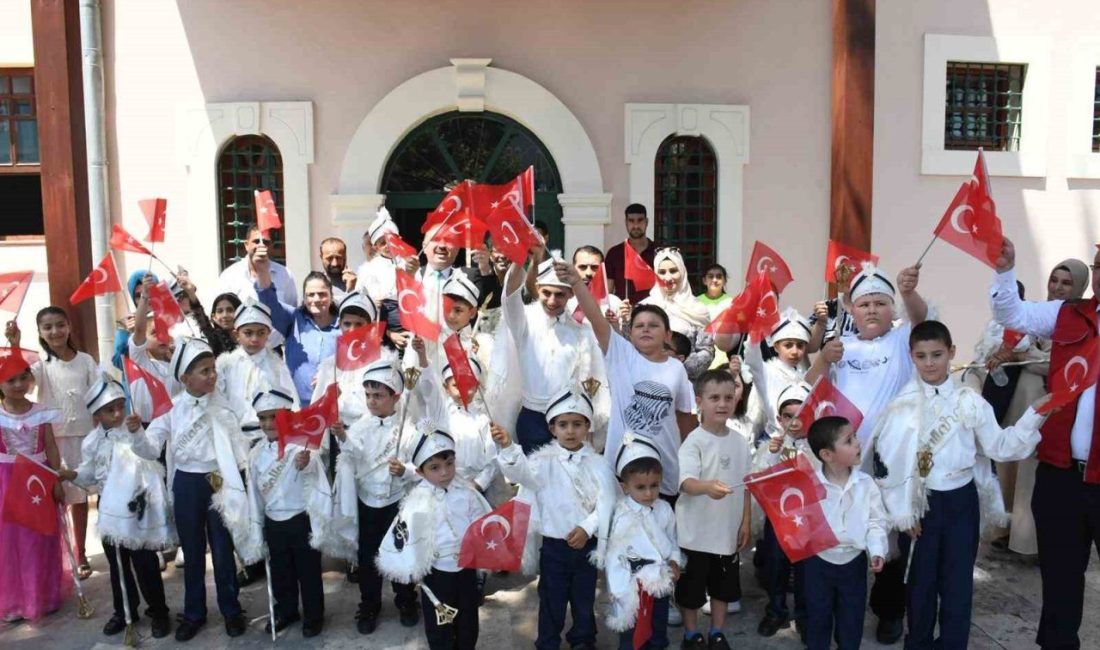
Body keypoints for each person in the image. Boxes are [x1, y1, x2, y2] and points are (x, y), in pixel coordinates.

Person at [869, 320, 1049, 649]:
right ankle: (919, 642)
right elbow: (887, 466)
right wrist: (903, 514)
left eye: (937, 354)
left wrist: (1035, 414)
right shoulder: (900, 407)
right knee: (920, 585)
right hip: (919, 506)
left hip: (960, 503)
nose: (930, 363)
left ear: (951, 352)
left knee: (957, 585)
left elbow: (1000, 447)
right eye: (921, 356)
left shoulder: (970, 401)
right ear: (912, 357)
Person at [804, 262, 928, 644]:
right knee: (845, 532)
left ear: (892, 309)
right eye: (864, 304)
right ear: (851, 310)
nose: (872, 309)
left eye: (880, 303)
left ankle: (889, 610)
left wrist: (909, 293)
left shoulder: (903, 340)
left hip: (892, 459)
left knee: (890, 533)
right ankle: (830, 612)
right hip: (846, 461)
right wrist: (824, 360)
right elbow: (805, 394)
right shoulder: (841, 347)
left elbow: (923, 320)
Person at [987, 237, 1100, 649]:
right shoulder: (1069, 314)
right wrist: (1005, 270)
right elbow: (1011, 313)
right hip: (1062, 474)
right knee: (1059, 583)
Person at [127, 338, 261, 641]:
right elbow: (150, 450)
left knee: (224, 551)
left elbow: (245, 434)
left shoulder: (225, 403)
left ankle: (231, 609)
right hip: (187, 484)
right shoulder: (172, 410)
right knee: (193, 552)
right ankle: (194, 612)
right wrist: (136, 432)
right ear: (184, 378)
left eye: (213, 369)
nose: (212, 376)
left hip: (219, 482)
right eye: (204, 371)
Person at [561, 260, 697, 503]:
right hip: (622, 464)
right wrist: (576, 283)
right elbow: (594, 313)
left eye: (653, 326)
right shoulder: (621, 354)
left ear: (667, 334)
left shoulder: (677, 369)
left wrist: (692, 459)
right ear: (630, 332)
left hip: (665, 467)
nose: (646, 330)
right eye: (639, 326)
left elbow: (685, 418)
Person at [492, 387, 618, 650]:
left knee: (584, 600)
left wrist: (587, 528)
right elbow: (521, 475)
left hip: (585, 546)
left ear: (587, 427)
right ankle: (548, 642)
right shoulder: (541, 462)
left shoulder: (597, 464)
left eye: (577, 424)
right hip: (553, 548)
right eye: (563, 425)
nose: (570, 431)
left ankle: (583, 639)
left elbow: (606, 504)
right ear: (552, 429)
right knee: (552, 600)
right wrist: (507, 447)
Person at [59, 374, 172, 638]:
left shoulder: (134, 432)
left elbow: (150, 453)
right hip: (109, 507)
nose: (118, 412)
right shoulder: (91, 442)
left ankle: (158, 611)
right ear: (97, 415)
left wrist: (137, 433)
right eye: (110, 410)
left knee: (145, 563)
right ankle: (124, 611)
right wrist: (73, 475)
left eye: (121, 405)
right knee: (117, 565)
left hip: (136, 508)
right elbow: (90, 474)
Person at [376, 428, 491, 650]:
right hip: (436, 574)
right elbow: (405, 537)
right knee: (440, 626)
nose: (445, 472)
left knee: (468, 622)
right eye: (435, 468)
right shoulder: (416, 501)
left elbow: (481, 524)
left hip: (466, 569)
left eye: (449, 463)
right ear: (419, 472)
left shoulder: (467, 493)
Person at [6, 307, 98, 579]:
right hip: (51, 441)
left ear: (69, 326)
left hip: (83, 437)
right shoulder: (40, 365)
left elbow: (96, 396)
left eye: (60, 325)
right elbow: (19, 378)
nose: (55, 332)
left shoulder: (85, 361)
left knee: (79, 497)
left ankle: (80, 553)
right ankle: (59, 556)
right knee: (54, 499)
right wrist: (14, 345)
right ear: (40, 333)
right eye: (48, 327)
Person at [331, 358, 421, 634]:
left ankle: (406, 599)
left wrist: (403, 469)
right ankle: (369, 604)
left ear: (395, 396)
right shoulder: (360, 426)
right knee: (368, 558)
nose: (372, 401)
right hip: (368, 503)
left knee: (399, 550)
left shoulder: (410, 427)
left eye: (378, 395)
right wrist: (343, 437)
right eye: (368, 395)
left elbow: (423, 466)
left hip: (397, 503)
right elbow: (354, 454)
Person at [245, 389, 332, 638]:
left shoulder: (300, 447)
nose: (268, 424)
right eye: (263, 418)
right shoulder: (256, 454)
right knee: (281, 572)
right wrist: (257, 525)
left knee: (308, 572)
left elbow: (316, 475)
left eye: (274, 417)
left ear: (287, 416)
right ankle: (286, 610)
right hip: (274, 521)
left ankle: (314, 615)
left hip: (299, 519)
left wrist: (308, 465)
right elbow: (254, 493)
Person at [675, 369, 752, 650]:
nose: (722, 404)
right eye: (714, 397)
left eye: (728, 398)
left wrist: (745, 523)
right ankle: (691, 633)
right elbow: (686, 483)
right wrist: (707, 487)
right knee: (691, 591)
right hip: (695, 534)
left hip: (726, 534)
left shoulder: (740, 442)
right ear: (700, 401)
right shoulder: (694, 441)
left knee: (723, 589)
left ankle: (717, 632)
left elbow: (745, 486)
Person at [503, 255, 607, 454]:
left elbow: (588, 378)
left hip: (566, 419)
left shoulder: (580, 330)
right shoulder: (524, 322)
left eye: (559, 294)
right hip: (531, 417)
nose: (552, 301)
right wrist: (519, 256)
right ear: (537, 289)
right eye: (546, 293)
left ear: (569, 294)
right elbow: (509, 297)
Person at [805, 416, 888, 650]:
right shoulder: (809, 487)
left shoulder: (866, 484)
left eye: (855, 437)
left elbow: (876, 521)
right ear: (827, 455)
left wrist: (877, 550)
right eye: (849, 440)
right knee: (817, 616)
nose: (858, 443)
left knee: (851, 619)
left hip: (853, 563)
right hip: (817, 562)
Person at [0, 350, 71, 621]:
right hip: (6, 482)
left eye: (23, 378)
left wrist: (56, 478)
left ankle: (44, 593)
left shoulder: (41, 412)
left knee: (40, 537)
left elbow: (51, 446)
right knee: (11, 542)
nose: (18, 385)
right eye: (10, 380)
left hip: (39, 482)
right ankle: (16, 599)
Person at [602, 433, 682, 650]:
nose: (649, 493)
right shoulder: (621, 515)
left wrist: (674, 561)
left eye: (654, 485)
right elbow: (616, 557)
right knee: (633, 636)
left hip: (660, 582)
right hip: (632, 589)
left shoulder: (664, 509)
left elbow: (672, 540)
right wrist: (620, 591)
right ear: (625, 487)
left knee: (657, 630)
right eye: (640, 487)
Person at [751, 381, 812, 639]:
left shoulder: (818, 446)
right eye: (789, 416)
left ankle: (805, 614)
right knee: (776, 566)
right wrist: (773, 456)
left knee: (806, 572)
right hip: (778, 520)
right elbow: (757, 478)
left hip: (808, 521)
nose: (795, 422)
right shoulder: (771, 447)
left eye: (802, 415)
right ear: (779, 418)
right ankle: (776, 610)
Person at [215, 301, 298, 449]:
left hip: (269, 436)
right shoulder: (226, 365)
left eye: (261, 333)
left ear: (268, 334)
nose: (254, 339)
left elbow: (292, 402)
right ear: (236, 335)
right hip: (235, 437)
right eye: (248, 333)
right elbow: (218, 401)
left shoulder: (277, 366)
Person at [256, 267, 340, 405]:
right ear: (304, 298)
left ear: (331, 296)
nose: (316, 299)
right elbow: (268, 303)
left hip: (335, 409)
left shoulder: (344, 325)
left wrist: (329, 378)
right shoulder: (293, 319)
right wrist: (262, 269)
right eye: (311, 295)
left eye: (322, 294)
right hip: (298, 408)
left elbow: (353, 368)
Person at [640, 248, 714, 379]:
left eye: (673, 271)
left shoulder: (698, 309)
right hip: (646, 379)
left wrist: (675, 366)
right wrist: (624, 321)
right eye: (662, 272)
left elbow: (706, 351)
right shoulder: (644, 307)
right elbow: (632, 346)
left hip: (685, 383)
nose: (668, 277)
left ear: (683, 272)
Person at [216, 224, 298, 306]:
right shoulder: (229, 276)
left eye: (266, 242)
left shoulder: (285, 275)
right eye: (256, 241)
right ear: (246, 245)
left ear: (272, 246)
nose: (261, 245)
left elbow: (292, 311)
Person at [605, 203, 657, 299]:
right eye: (631, 221)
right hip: (623, 311)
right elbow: (608, 291)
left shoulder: (659, 252)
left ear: (647, 222)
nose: (636, 225)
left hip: (652, 311)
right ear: (626, 222)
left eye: (640, 220)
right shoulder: (614, 253)